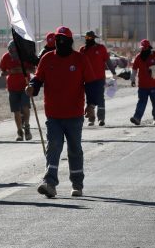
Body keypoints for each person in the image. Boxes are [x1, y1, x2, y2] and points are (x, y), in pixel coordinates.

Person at [27, 26, 102, 198]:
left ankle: (77, 184)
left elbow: (91, 84)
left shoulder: (80, 59)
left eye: (63, 40)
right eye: (58, 40)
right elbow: (38, 79)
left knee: (74, 149)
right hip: (53, 114)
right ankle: (49, 183)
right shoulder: (46, 59)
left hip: (74, 114)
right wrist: (32, 88)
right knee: (53, 146)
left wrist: (91, 106)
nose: (60, 43)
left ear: (70, 42)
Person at [0, 41, 34, 141]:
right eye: (11, 51)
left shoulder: (25, 56)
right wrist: (10, 72)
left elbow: (33, 70)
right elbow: (2, 72)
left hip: (25, 86)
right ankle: (19, 131)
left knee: (25, 106)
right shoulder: (6, 57)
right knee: (16, 110)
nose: (12, 53)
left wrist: (23, 70)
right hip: (12, 87)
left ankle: (26, 126)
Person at [129, 39, 155, 126]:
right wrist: (132, 80)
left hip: (154, 84)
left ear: (148, 47)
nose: (144, 50)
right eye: (143, 48)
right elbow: (134, 69)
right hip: (143, 85)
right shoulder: (139, 57)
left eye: (145, 48)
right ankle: (137, 118)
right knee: (141, 102)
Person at [79, 30, 110, 126]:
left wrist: (113, 72)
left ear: (94, 38)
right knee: (90, 99)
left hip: (99, 78)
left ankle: (101, 119)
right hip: (87, 79)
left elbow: (108, 61)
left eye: (90, 38)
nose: (88, 39)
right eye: (87, 38)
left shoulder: (101, 48)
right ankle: (91, 118)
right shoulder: (82, 50)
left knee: (100, 98)